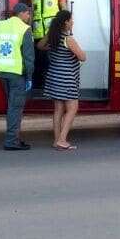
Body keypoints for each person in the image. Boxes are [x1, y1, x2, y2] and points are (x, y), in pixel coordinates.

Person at [0, 3, 35, 151]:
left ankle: (14, 138)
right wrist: (29, 77)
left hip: (1, 71)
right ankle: (12, 141)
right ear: (21, 13)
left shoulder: (0, 25)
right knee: (15, 108)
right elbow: (28, 57)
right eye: (28, 13)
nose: (29, 16)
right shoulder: (25, 29)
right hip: (16, 74)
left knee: (12, 106)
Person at [38, 10, 86, 151]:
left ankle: (56, 140)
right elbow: (83, 57)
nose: (73, 22)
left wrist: (50, 48)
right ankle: (62, 140)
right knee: (72, 108)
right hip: (66, 78)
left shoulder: (52, 36)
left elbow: (39, 46)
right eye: (71, 20)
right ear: (66, 22)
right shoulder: (68, 39)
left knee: (58, 109)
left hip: (53, 77)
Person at [30, 0, 67, 89]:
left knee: (51, 61)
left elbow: (64, 8)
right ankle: (38, 87)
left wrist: (64, 26)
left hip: (52, 33)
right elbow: (32, 14)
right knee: (38, 62)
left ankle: (52, 86)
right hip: (37, 34)